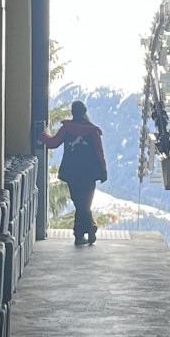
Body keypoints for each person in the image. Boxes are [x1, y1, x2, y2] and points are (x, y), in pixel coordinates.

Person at [38, 100, 108, 245]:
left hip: (72, 171)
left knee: (79, 202)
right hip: (89, 173)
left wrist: (41, 135)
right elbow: (99, 152)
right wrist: (103, 171)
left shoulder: (67, 128)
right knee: (85, 203)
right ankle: (87, 229)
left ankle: (81, 233)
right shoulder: (93, 131)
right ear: (84, 112)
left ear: (72, 112)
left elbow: (53, 143)